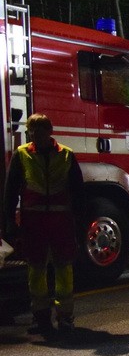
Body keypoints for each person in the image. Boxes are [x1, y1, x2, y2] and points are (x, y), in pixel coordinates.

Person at [3, 113, 85, 334]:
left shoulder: (66, 155)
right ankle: (41, 318)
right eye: (32, 131)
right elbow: (11, 192)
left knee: (63, 269)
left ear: (49, 131)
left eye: (39, 131)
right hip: (35, 223)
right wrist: (9, 222)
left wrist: (79, 222)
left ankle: (65, 317)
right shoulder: (22, 155)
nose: (35, 135)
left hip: (60, 222)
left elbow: (78, 192)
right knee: (36, 271)